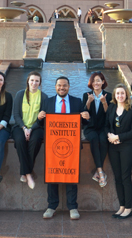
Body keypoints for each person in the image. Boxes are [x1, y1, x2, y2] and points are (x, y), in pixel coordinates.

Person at [39, 76, 90, 220]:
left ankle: (73, 207)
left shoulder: (77, 101)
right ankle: (51, 206)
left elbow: (83, 123)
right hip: (52, 146)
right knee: (52, 175)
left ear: (69, 86)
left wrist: (86, 117)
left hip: (71, 146)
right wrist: (39, 117)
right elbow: (40, 124)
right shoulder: (47, 102)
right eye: (59, 85)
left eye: (65, 85)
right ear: (55, 87)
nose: (62, 88)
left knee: (71, 175)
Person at [106, 84, 132, 219]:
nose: (120, 96)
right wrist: (109, 136)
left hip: (126, 146)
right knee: (117, 177)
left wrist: (118, 137)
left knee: (125, 177)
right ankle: (121, 206)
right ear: (114, 95)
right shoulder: (112, 108)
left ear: (126, 95)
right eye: (118, 93)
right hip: (113, 146)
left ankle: (128, 208)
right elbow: (106, 125)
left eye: (122, 93)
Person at [12, 71, 48, 190]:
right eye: (32, 80)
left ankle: (24, 172)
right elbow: (16, 115)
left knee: (35, 140)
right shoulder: (20, 94)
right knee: (20, 141)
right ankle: (28, 173)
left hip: (37, 127)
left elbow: (42, 118)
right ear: (28, 81)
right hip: (19, 126)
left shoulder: (43, 96)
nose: (34, 83)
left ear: (40, 83)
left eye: (37, 81)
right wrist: (24, 128)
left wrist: (31, 129)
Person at [82, 72, 112, 187]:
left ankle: (98, 172)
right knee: (94, 138)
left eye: (98, 80)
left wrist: (104, 103)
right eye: (94, 81)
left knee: (103, 140)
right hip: (90, 127)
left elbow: (109, 114)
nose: (96, 83)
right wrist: (89, 101)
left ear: (103, 82)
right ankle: (100, 171)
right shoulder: (87, 95)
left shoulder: (108, 96)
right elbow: (85, 113)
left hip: (104, 126)